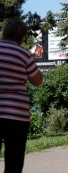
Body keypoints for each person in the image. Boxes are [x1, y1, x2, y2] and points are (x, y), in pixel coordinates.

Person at [0, 19, 44, 173]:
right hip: (17, 115)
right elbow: (37, 81)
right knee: (14, 160)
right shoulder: (23, 54)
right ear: (23, 36)